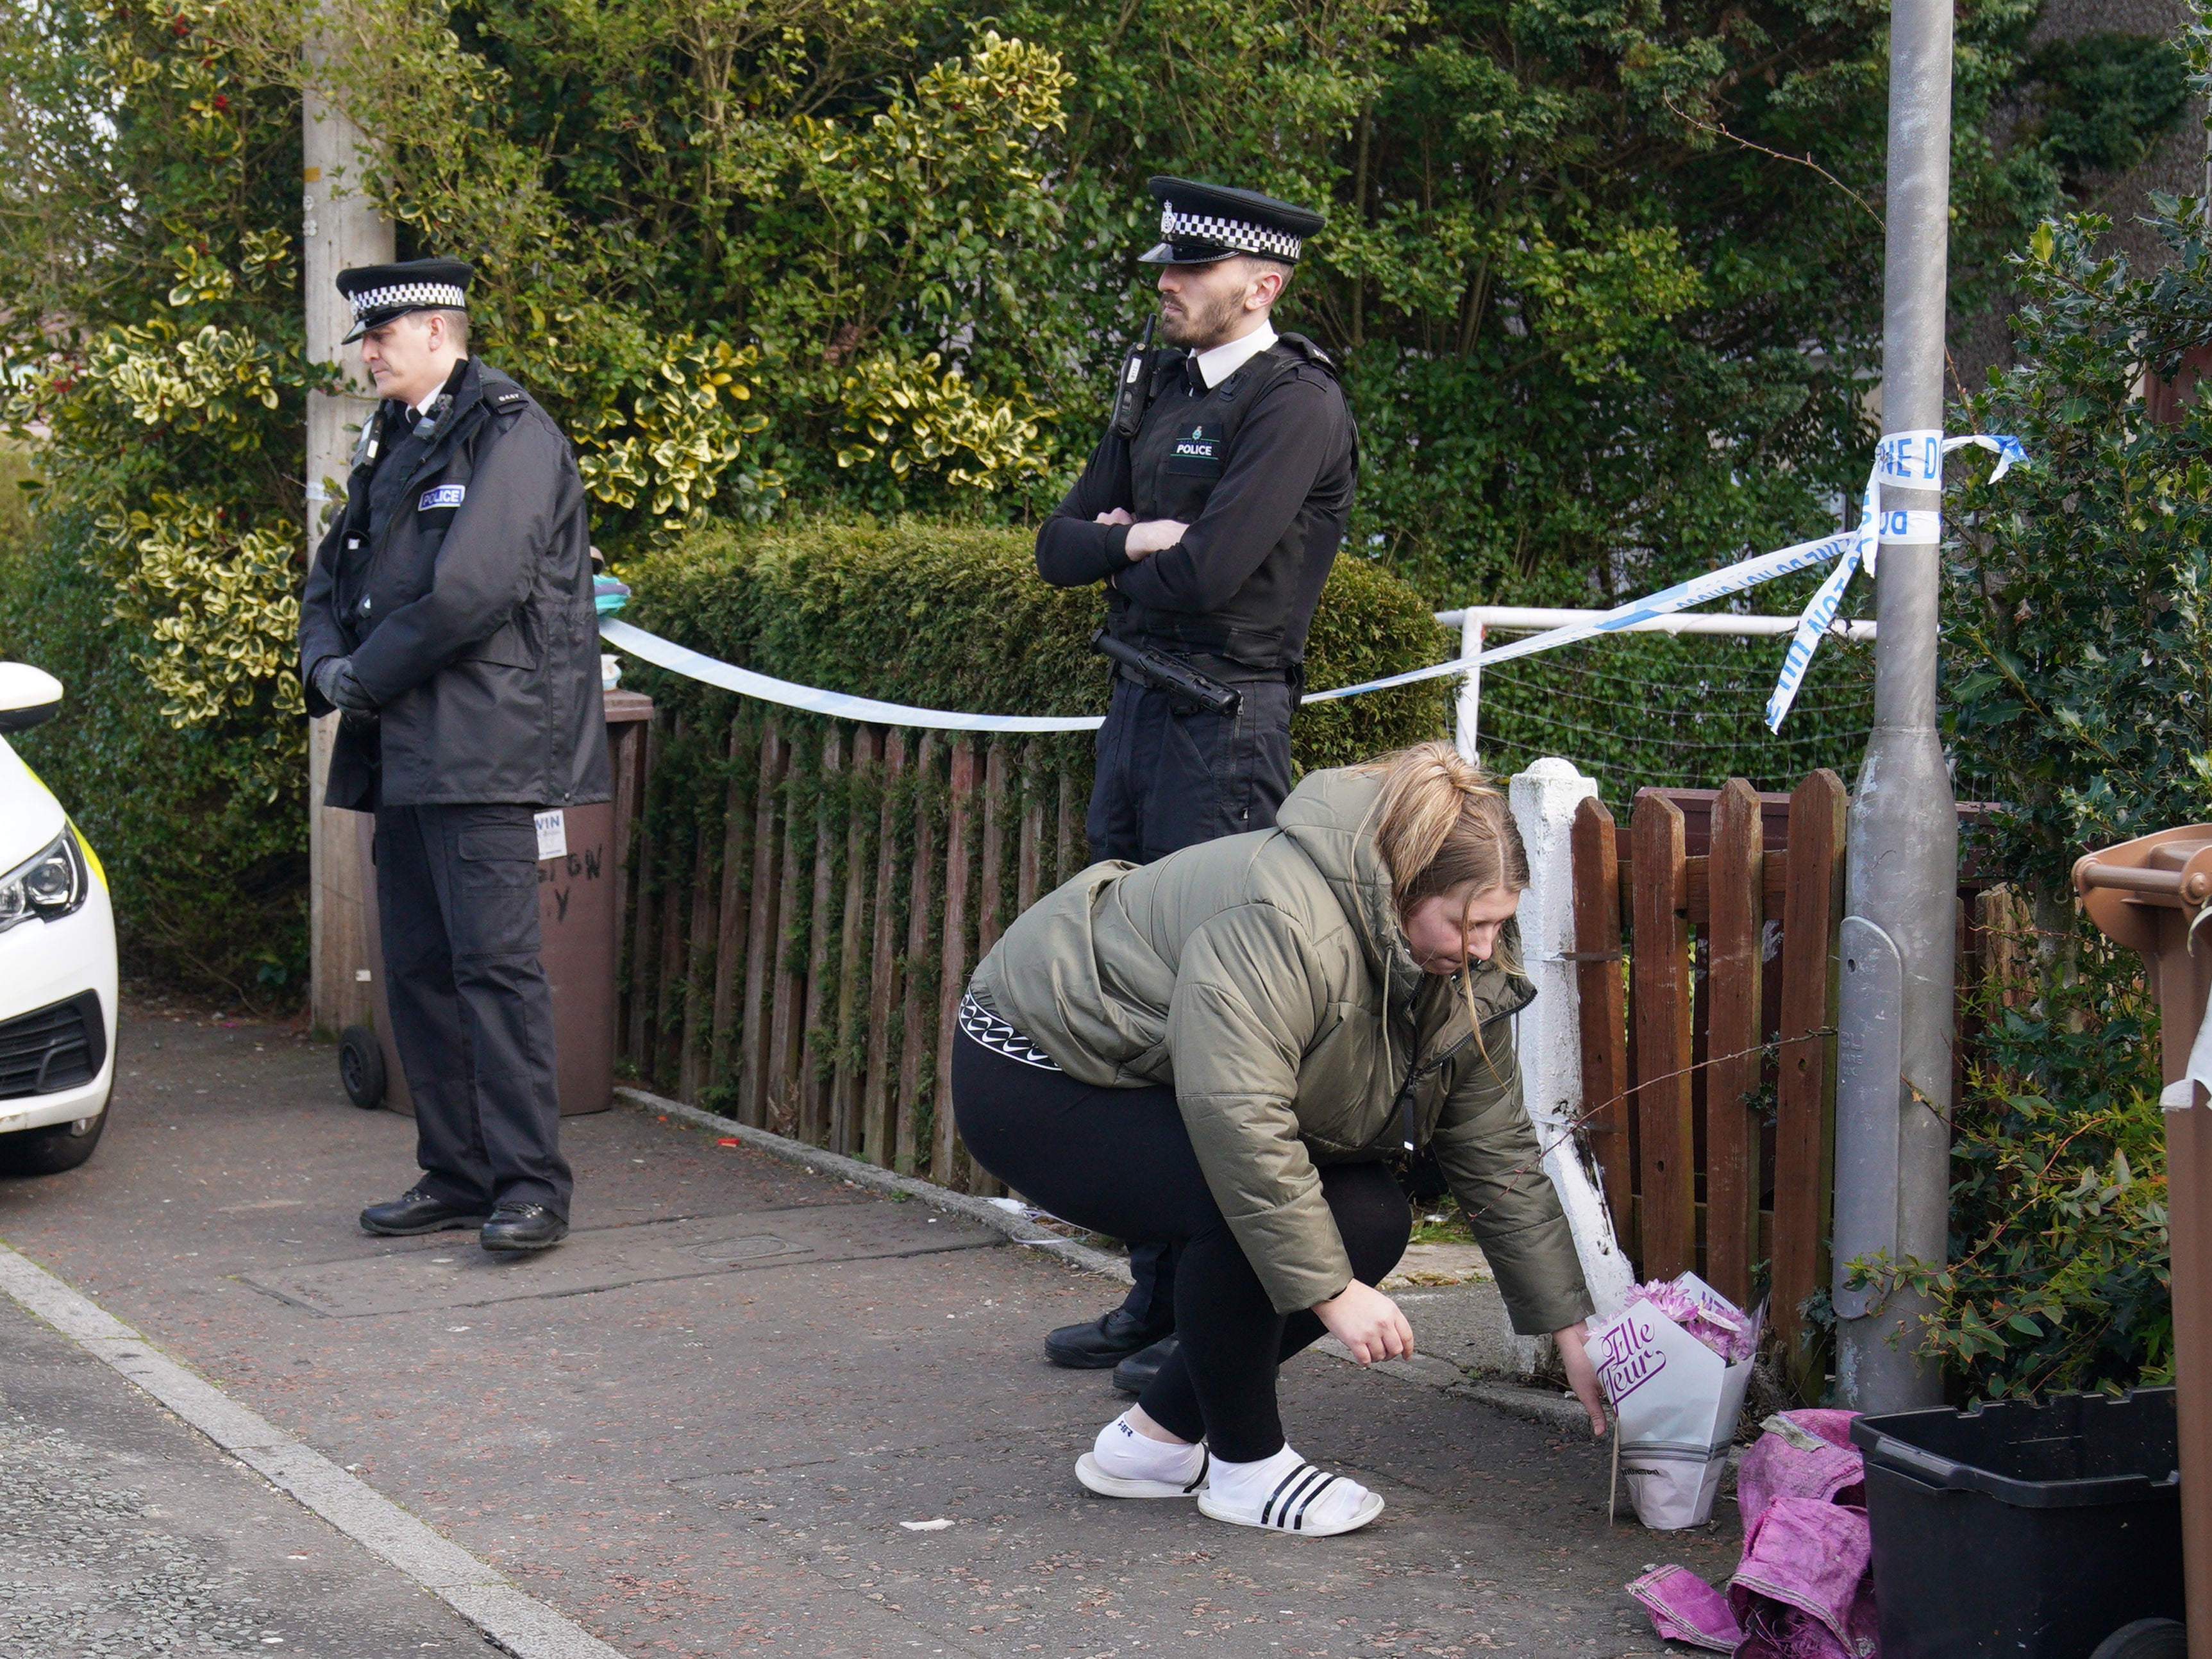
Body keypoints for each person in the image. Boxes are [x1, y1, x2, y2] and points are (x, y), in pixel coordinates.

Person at [952, 742, 1606, 1537]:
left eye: (1498, 924)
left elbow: (1493, 1142)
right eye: (1467, 923)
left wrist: (1568, 1324)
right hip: (1038, 1066)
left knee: (1369, 1220)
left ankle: (1152, 1443)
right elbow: (1239, 1118)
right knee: (1231, 1204)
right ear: (1403, 888)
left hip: (1156, 1069)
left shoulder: (1449, 963)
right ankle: (1246, 1468)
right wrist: (1330, 1293)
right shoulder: (1280, 916)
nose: (1480, 948)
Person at [1032, 175, 1359, 1393]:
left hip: (1222, 730)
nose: (1166, 285)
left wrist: (1146, 551)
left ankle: (1206, 1313)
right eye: (1165, 268)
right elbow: (1056, 548)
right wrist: (1130, 542)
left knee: (1215, 1022)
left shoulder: (1297, 405)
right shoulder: (1156, 388)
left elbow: (1220, 574)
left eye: (1191, 271)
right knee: (1127, 999)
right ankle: (1152, 1291)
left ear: (1260, 285)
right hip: (1135, 712)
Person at [298, 257, 608, 1253]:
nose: (370, 352)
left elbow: (472, 589)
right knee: (419, 969)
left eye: (383, 335)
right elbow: (333, 570)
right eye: (366, 338)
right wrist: (324, 665)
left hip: (483, 747)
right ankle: (457, 1169)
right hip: (405, 750)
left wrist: (366, 674)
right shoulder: (393, 436)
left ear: (440, 331)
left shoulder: (512, 432)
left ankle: (530, 1185)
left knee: (496, 971)